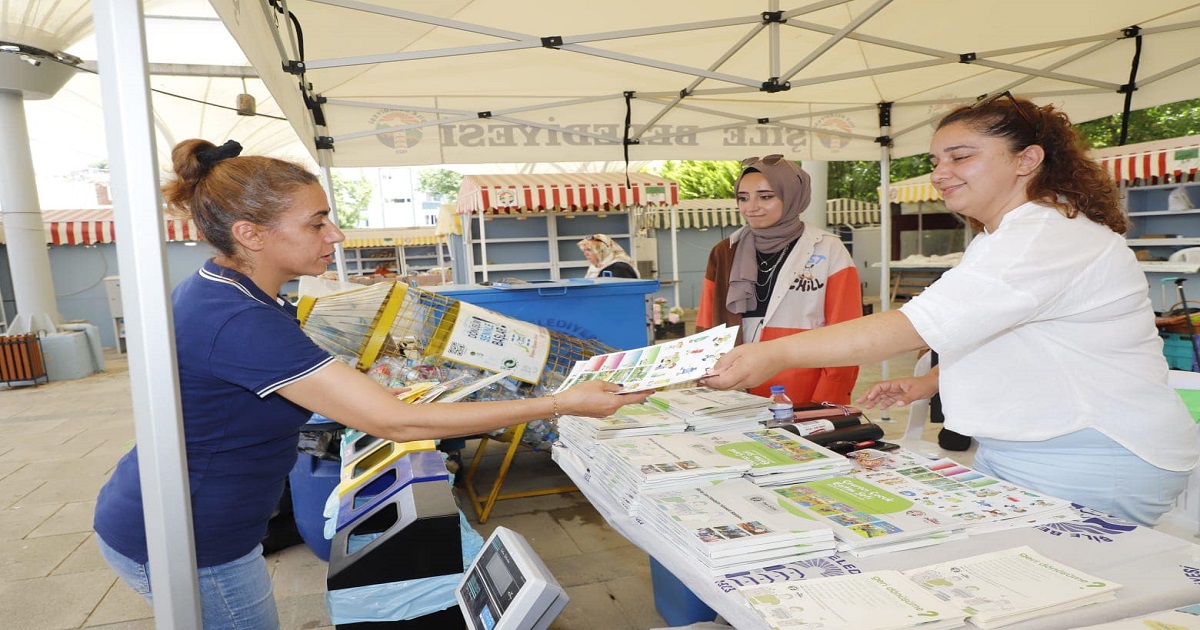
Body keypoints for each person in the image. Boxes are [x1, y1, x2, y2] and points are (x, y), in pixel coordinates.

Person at [92, 139, 652, 629]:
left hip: (198, 521)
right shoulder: (238, 317)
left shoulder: (232, 292)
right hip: (191, 540)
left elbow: (307, 381)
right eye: (316, 223)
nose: (334, 234)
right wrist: (560, 403)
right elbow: (392, 420)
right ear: (250, 234)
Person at [700, 94, 1200, 527]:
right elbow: (1006, 330)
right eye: (936, 160)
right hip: (1031, 446)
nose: (940, 174)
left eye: (960, 157)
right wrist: (931, 383)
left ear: (1026, 160)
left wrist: (773, 354)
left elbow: (911, 325)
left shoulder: (1042, 236)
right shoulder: (1004, 234)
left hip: (1090, 453)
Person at [695, 155, 862, 404]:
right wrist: (707, 378)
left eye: (766, 196)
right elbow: (706, 323)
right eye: (743, 197)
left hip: (804, 388)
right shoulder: (724, 251)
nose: (751, 207)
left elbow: (847, 330)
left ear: (792, 196)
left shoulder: (828, 249)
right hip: (734, 389)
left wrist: (830, 395)